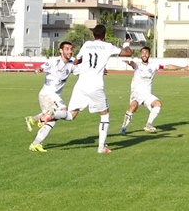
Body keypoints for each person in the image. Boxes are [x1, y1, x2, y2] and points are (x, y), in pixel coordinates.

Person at [41, 25, 132, 154]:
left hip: (81, 84)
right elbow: (128, 53)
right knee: (104, 114)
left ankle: (53, 114)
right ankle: (101, 147)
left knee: (71, 115)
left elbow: (76, 61)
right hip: (95, 86)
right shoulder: (108, 46)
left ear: (93, 35)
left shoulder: (87, 44)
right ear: (105, 35)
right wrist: (126, 44)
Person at [119, 46, 189, 134]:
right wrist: (129, 62)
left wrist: (182, 67)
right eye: (143, 53)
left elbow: (167, 66)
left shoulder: (154, 66)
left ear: (149, 55)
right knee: (133, 107)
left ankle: (148, 124)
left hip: (147, 95)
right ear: (140, 55)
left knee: (158, 104)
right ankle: (123, 127)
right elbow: (132, 63)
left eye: (146, 53)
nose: (144, 55)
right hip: (136, 93)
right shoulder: (137, 65)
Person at [25, 41, 78, 152]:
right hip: (47, 94)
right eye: (67, 49)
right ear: (61, 50)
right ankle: (37, 120)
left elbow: (82, 71)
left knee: (52, 120)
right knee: (63, 110)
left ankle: (35, 139)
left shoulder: (71, 64)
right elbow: (41, 67)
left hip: (54, 96)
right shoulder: (54, 61)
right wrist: (38, 70)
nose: (70, 51)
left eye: (71, 49)